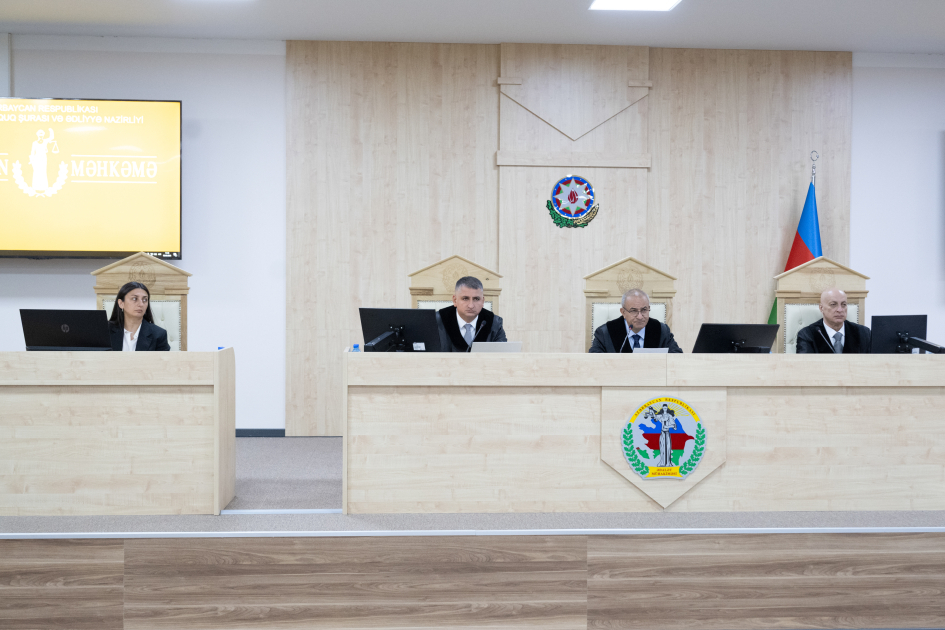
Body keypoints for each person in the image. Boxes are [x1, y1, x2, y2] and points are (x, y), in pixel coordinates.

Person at [588, 288, 682, 353]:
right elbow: (594, 361)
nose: (640, 317)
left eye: (644, 310)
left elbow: (677, 356)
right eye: (633, 311)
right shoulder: (605, 333)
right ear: (623, 312)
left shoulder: (661, 330)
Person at [435, 276, 507, 352]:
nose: (471, 305)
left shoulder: (494, 323)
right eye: (465, 299)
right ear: (455, 300)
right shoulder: (435, 322)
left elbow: (503, 355)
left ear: (482, 301)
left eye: (476, 299)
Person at [796, 287, 871, 354]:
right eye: (833, 304)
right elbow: (805, 364)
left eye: (843, 304)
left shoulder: (863, 333)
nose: (840, 310)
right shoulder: (807, 335)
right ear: (821, 308)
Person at [107, 281, 171, 352]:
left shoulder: (159, 334)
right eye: (134, 299)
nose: (141, 304)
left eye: (145, 300)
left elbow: (164, 359)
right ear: (121, 303)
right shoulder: (105, 331)